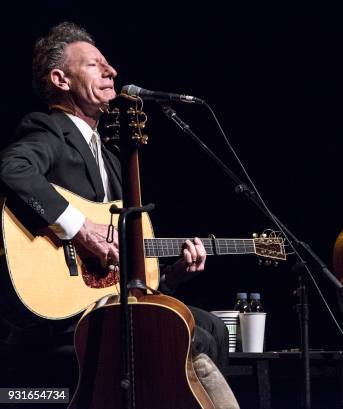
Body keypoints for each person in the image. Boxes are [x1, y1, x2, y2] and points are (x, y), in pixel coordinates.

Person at [0, 22, 234, 404]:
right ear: (60, 79)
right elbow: (13, 169)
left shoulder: (111, 159)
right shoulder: (49, 130)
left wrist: (170, 276)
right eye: (95, 65)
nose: (112, 72)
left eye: (108, 64)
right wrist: (80, 229)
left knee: (210, 325)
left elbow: (119, 268)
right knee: (195, 334)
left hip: (105, 300)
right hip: (56, 315)